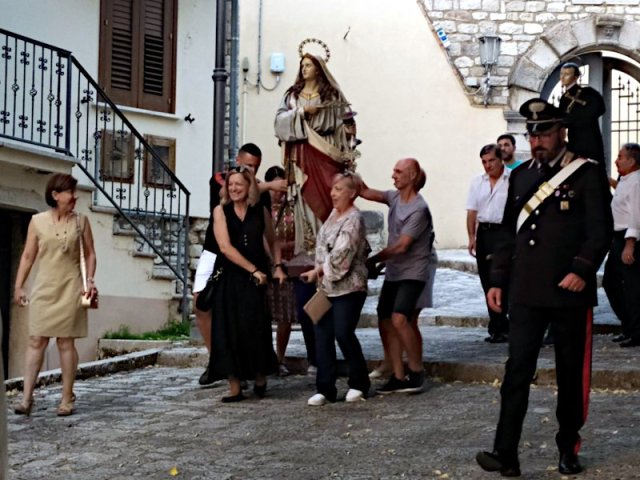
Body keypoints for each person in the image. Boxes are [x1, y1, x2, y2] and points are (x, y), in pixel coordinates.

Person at [475, 99, 613, 476]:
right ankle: (506, 453)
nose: (537, 141)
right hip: (526, 292)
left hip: (568, 291)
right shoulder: (520, 177)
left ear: (561, 131)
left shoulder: (586, 173)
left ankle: (569, 446)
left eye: (545, 133)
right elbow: (507, 235)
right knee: (516, 371)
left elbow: (600, 231)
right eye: (532, 134)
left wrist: (582, 270)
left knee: (570, 375)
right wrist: (498, 280)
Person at [194, 143, 286, 387]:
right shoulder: (220, 181)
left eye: (255, 167)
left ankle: (254, 372)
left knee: (253, 320)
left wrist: (274, 265)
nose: (252, 171)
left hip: (250, 262)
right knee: (202, 303)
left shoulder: (259, 201)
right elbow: (224, 245)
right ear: (238, 160)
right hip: (216, 254)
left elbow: (268, 237)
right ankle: (217, 361)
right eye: (248, 166)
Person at [13, 173, 98, 416]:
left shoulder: (82, 221)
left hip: (71, 286)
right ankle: (27, 397)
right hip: (44, 287)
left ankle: (66, 397)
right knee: (36, 340)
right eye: (71, 192)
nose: (75, 196)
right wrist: (19, 286)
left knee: (65, 341)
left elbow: (91, 254)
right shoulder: (37, 221)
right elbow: (28, 256)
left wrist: (89, 280)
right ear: (56, 195)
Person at [274, 52, 357, 259]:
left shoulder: (332, 95)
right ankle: (310, 248)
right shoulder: (292, 96)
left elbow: (345, 122)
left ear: (318, 69)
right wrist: (302, 112)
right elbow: (278, 122)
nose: (304, 69)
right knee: (305, 197)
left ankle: (332, 244)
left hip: (326, 153)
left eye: (309, 65)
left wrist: (348, 133)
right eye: (302, 65)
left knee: (330, 195)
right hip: (301, 153)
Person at [360, 159, 430, 394]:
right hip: (394, 272)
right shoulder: (394, 197)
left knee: (401, 317)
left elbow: (401, 246)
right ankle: (398, 375)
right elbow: (367, 191)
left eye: (398, 172)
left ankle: (416, 371)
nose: (393, 175)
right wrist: (347, 171)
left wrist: (372, 260)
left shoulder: (419, 209)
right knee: (384, 318)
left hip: (413, 272)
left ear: (412, 176)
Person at [301, 172, 371, 406]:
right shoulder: (333, 215)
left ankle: (359, 383)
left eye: (339, 189)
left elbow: (342, 255)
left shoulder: (354, 219)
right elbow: (324, 247)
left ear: (352, 193)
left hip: (349, 287)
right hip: (327, 287)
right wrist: (319, 272)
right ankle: (325, 387)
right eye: (333, 188)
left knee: (343, 332)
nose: (333, 193)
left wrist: (318, 271)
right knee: (322, 335)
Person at [466, 144, 511, 343]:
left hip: (504, 231)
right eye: (484, 162)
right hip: (485, 232)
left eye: (491, 160)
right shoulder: (477, 182)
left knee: (504, 278)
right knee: (486, 278)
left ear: (500, 159)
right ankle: (496, 325)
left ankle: (506, 321)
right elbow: (471, 211)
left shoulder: (512, 179)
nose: (487, 165)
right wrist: (471, 236)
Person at [603, 143, 640, 348]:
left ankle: (636, 331)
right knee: (611, 283)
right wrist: (610, 182)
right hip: (617, 239)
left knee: (632, 289)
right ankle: (628, 326)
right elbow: (624, 196)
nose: (616, 160)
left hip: (628, 239)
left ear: (632, 161)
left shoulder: (637, 181)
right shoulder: (627, 179)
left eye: (620, 157)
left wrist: (630, 244)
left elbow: (636, 213)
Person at [264, 166, 297, 375]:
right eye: (275, 187)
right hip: (266, 267)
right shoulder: (263, 209)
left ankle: (280, 357)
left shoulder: (293, 209)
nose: (278, 193)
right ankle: (265, 356)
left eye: (282, 188)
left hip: (288, 266)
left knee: (285, 315)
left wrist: (284, 247)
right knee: (265, 314)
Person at [558, 62, 606, 164]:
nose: (562, 77)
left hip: (590, 140)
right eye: (561, 73)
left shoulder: (589, 93)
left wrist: (574, 119)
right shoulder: (564, 98)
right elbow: (562, 120)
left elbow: (600, 109)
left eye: (567, 74)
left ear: (575, 77)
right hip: (573, 141)